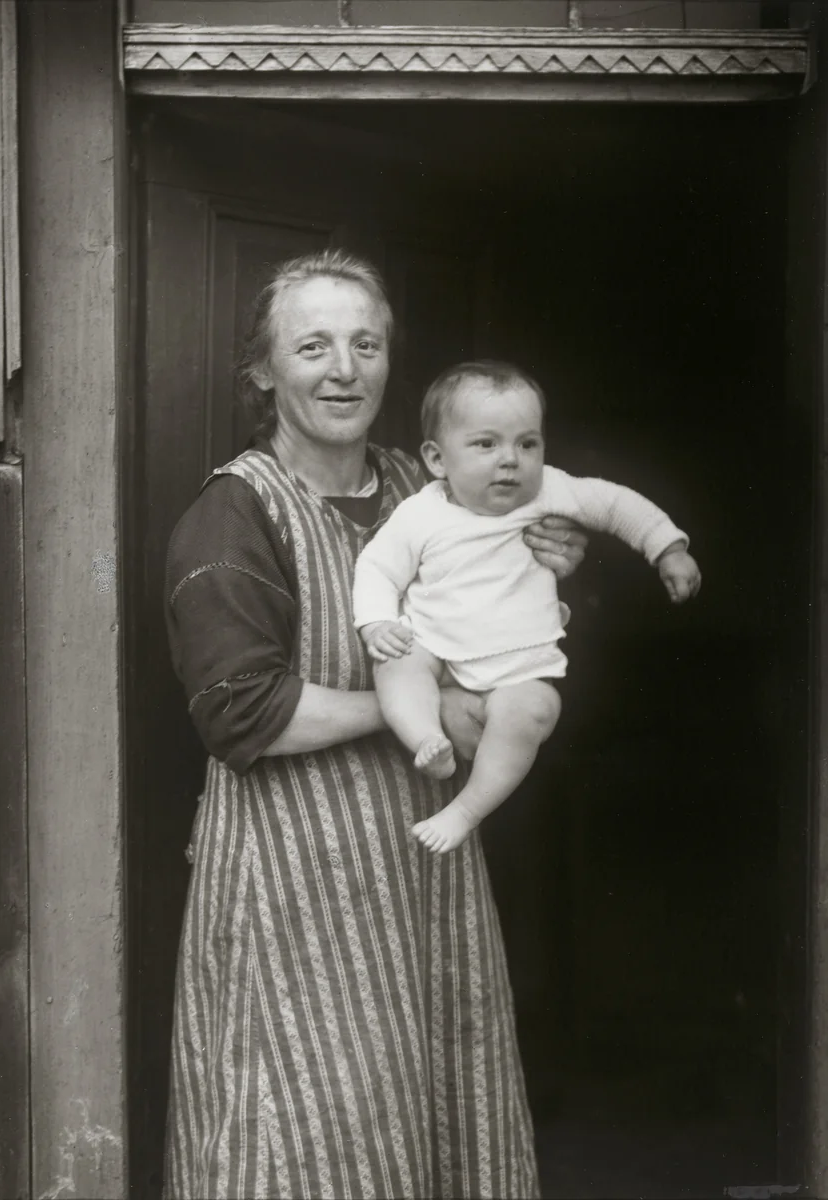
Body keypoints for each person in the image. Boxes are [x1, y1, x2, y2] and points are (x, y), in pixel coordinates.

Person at [162, 249, 587, 1200]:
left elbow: (516, 619)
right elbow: (241, 714)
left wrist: (553, 564)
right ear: (265, 371)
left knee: (429, 1109)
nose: (342, 368)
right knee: (298, 1126)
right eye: (311, 346)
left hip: (418, 878)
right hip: (287, 883)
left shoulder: (433, 487)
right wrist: (426, 711)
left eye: (365, 343)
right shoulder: (234, 513)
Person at [353, 360, 702, 855]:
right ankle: (426, 739)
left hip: (517, 665)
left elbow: (613, 503)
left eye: (527, 443)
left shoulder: (550, 491)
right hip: (436, 646)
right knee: (397, 662)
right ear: (436, 458)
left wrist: (667, 547)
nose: (510, 459)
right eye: (486, 444)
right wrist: (376, 622)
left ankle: (466, 810)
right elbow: (378, 568)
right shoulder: (420, 514)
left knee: (535, 709)